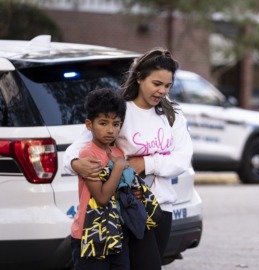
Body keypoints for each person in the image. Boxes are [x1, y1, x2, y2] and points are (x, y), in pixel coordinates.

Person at [64, 48, 194, 270]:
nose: (162, 91)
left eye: (167, 85)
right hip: (129, 207)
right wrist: (76, 164)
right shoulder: (121, 110)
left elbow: (182, 159)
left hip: (162, 208)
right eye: (156, 84)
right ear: (139, 77)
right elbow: (77, 148)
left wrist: (144, 163)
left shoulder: (172, 115)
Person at [71, 88, 129, 270]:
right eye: (103, 123)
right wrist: (118, 167)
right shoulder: (88, 153)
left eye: (116, 124)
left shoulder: (118, 152)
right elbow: (102, 198)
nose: (110, 130)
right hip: (90, 233)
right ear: (89, 125)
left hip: (116, 232)